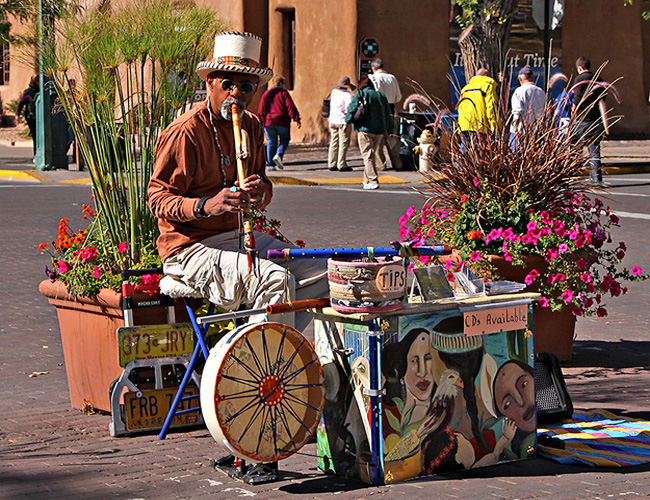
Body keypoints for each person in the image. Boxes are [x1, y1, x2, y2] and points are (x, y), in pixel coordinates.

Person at [148, 32, 328, 331]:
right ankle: (258, 361)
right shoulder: (186, 132)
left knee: (328, 274)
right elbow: (157, 199)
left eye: (245, 87)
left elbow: (264, 187)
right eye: (227, 84)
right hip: (189, 248)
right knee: (275, 281)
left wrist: (260, 194)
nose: (236, 94)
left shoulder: (252, 126)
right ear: (210, 84)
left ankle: (277, 346)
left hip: (240, 239)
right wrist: (207, 205)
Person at [345, 77, 392, 190]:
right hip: (380, 130)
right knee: (371, 155)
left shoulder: (360, 94)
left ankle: (373, 179)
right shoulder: (381, 96)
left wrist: (347, 122)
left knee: (367, 155)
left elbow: (352, 108)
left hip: (364, 128)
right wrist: (390, 129)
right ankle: (366, 181)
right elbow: (388, 114)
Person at [572, 56, 608, 186]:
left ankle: (574, 177)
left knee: (576, 149)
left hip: (582, 119)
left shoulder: (579, 79)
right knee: (595, 150)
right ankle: (596, 179)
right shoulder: (599, 79)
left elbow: (576, 99)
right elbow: (603, 99)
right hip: (596, 119)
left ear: (579, 68)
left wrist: (573, 115)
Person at [257, 74, 301, 171]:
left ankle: (270, 165)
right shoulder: (283, 93)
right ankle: (278, 154)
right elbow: (290, 106)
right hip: (282, 121)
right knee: (285, 139)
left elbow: (261, 109)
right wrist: (296, 118)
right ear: (280, 83)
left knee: (271, 142)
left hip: (268, 122)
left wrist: (260, 121)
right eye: (284, 83)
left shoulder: (266, 93)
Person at [369, 58, 403, 171]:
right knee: (391, 137)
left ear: (373, 68)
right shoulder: (392, 78)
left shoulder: (373, 78)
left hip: (378, 108)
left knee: (378, 138)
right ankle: (397, 162)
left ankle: (381, 164)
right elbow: (398, 97)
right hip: (391, 108)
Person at [457, 68, 501, 146]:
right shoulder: (487, 87)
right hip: (480, 126)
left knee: (466, 151)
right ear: (486, 75)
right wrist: (494, 127)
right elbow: (491, 108)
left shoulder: (465, 89)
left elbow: (460, 108)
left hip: (464, 126)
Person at [510, 66, 546, 148]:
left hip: (521, 131)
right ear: (532, 77)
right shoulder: (541, 91)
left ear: (520, 78)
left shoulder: (519, 91)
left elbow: (517, 112)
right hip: (536, 131)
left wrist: (516, 130)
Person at [327, 76, 355, 172]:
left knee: (334, 141)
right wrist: (347, 122)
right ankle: (341, 163)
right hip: (342, 121)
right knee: (343, 143)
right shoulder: (348, 95)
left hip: (333, 119)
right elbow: (349, 109)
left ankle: (332, 163)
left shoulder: (334, 92)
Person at [16, 76, 39, 156]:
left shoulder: (42, 91)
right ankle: (36, 154)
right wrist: (17, 115)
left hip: (40, 117)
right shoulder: (28, 92)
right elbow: (21, 103)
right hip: (31, 117)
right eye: (37, 80)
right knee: (35, 135)